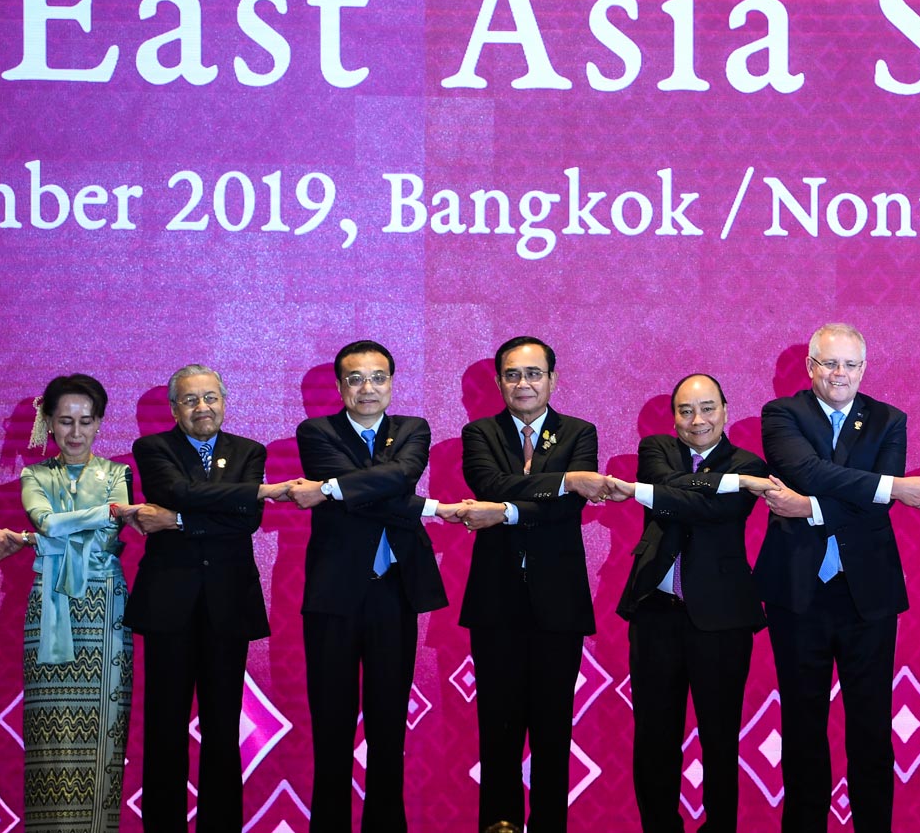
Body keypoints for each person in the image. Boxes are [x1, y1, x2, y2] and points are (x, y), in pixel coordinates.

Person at [753, 322, 920, 833]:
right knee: (803, 723)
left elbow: (870, 508)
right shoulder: (781, 414)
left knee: (871, 726)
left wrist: (808, 508)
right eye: (829, 363)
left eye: (850, 364)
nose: (840, 374)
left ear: (864, 368)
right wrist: (885, 488)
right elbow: (811, 472)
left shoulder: (888, 419)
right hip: (798, 592)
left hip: (868, 594)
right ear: (811, 367)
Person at [288, 340, 454, 833]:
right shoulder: (315, 431)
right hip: (333, 596)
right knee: (332, 725)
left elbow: (401, 474)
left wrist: (332, 490)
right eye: (356, 379)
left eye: (378, 377)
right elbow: (389, 488)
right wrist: (426, 506)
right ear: (340, 386)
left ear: (391, 383)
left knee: (387, 725)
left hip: (393, 591)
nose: (367, 388)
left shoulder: (412, 429)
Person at [122, 364, 292, 833]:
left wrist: (177, 521)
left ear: (224, 400)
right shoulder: (152, 447)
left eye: (211, 397)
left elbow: (246, 521)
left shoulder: (248, 450)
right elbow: (173, 490)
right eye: (191, 400)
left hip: (228, 604)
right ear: (175, 408)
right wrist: (249, 493)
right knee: (164, 727)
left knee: (222, 728)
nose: (203, 408)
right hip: (168, 605)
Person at [454, 335, 611, 833]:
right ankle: (498, 825)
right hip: (495, 600)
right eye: (513, 375)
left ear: (553, 379)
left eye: (534, 374)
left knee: (551, 732)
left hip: (557, 602)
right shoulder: (479, 432)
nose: (524, 384)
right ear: (499, 382)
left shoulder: (579, 432)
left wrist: (507, 510)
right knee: (497, 730)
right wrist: (563, 480)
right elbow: (488, 485)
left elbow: (567, 509)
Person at [607, 373, 769, 833]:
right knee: (655, 738)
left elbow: (710, 510)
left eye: (707, 408)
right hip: (656, 612)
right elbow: (662, 486)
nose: (697, 420)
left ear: (725, 408)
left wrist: (675, 492)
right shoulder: (656, 449)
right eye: (686, 410)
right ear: (674, 417)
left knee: (720, 738)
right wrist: (717, 484)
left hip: (722, 619)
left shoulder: (750, 463)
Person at [19, 373, 132, 833]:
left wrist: (71, 527)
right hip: (49, 607)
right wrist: (100, 513)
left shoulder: (118, 473)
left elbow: (111, 530)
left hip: (106, 609)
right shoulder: (33, 474)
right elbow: (45, 521)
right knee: (50, 732)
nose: (75, 431)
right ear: (49, 422)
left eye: (86, 420)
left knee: (106, 729)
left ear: (100, 423)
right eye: (64, 421)